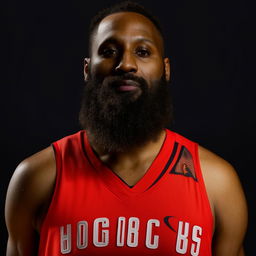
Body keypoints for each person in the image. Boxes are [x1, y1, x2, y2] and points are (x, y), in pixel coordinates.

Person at [5, 1, 247, 255]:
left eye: (142, 52)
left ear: (165, 70)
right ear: (87, 69)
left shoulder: (216, 183)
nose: (126, 64)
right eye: (109, 51)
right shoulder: (37, 177)